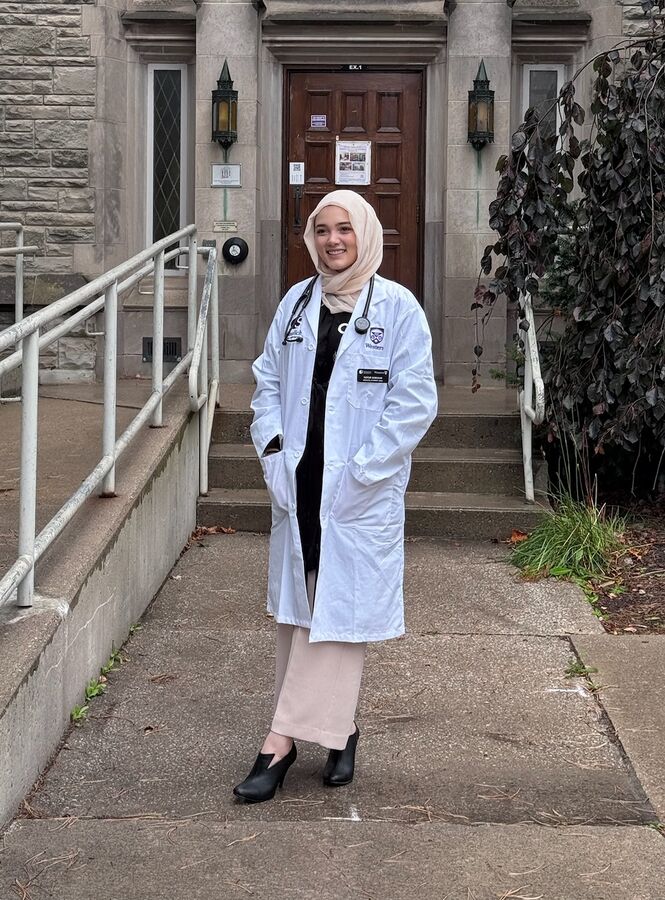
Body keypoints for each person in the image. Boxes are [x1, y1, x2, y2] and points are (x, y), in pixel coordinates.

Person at [233, 190, 438, 803]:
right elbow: (268, 382)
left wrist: (365, 469)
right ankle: (340, 729)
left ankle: (279, 741)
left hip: (357, 489)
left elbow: (414, 403)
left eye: (344, 229)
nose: (332, 241)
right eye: (322, 230)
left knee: (336, 613)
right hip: (299, 477)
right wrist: (273, 449)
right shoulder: (296, 303)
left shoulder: (398, 309)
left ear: (365, 234)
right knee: (303, 610)